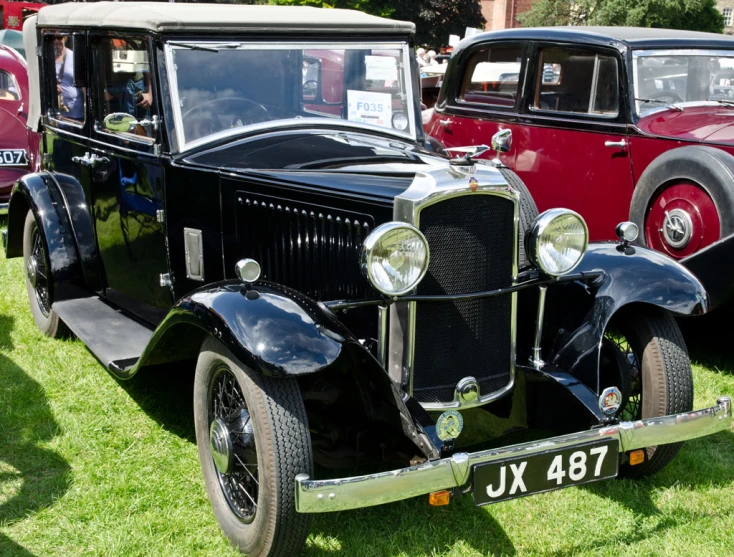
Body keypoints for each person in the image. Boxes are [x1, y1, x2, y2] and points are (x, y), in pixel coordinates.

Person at [53, 35, 84, 121]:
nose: (56, 41)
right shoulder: (47, 57)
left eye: (59, 38)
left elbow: (84, 85)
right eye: (53, 38)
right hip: (55, 113)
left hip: (75, 112)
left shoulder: (74, 57)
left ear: (65, 38)